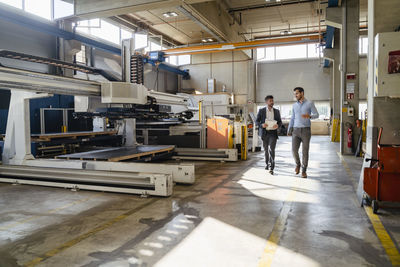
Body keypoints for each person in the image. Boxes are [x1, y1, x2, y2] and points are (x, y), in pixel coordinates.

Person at [287, 87, 319, 178]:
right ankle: (298, 164)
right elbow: (292, 118)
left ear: (302, 93)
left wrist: (309, 116)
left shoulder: (310, 103)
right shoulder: (294, 105)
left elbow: (317, 114)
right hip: (295, 130)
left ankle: (304, 170)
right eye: (295, 94)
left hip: (306, 130)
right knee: (294, 150)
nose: (295, 95)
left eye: (297, 93)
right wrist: (289, 128)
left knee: (305, 152)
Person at [256, 95, 282, 175]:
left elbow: (280, 122)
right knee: (266, 150)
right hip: (265, 133)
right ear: (266, 102)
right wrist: (261, 125)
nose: (272, 102)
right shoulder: (261, 111)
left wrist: (278, 125)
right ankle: (267, 163)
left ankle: (271, 166)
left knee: (272, 149)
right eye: (270, 101)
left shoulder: (277, 111)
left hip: (273, 133)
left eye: (272, 101)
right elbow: (256, 121)